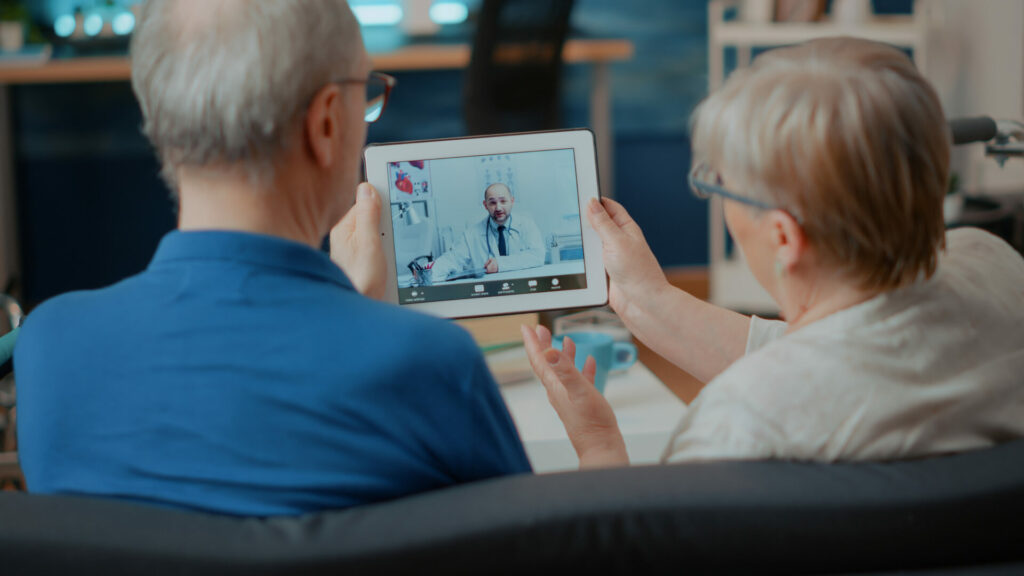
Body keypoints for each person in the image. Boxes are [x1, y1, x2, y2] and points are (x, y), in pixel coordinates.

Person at [14, 0, 530, 516]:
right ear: (326, 122)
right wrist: (597, 442)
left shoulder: (48, 350)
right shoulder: (433, 364)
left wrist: (348, 308)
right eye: (366, 93)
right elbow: (537, 549)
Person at [522, 37, 1024, 469]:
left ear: (784, 237)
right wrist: (645, 297)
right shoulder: (996, 266)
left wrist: (597, 443)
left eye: (721, 183)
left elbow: (630, 551)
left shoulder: (738, 424)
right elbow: (844, 345)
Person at [430, 183, 545, 279]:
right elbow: (452, 259)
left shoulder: (527, 225)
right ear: (485, 205)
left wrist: (499, 264)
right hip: (489, 292)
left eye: (503, 201)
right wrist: (426, 271)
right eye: (492, 203)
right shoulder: (471, 234)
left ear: (512, 201)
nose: (498, 208)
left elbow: (538, 256)